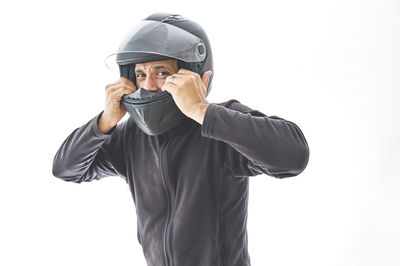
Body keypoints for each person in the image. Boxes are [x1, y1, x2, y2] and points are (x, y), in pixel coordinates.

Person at [52, 13, 310, 266]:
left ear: (201, 77)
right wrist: (104, 122)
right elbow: (66, 169)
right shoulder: (130, 137)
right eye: (141, 75)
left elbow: (293, 157)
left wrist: (202, 111)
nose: (148, 86)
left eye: (161, 72)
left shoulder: (221, 126)